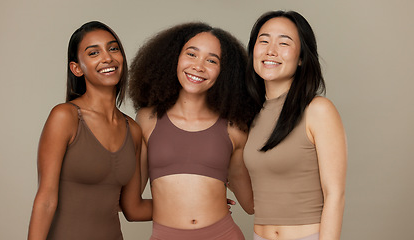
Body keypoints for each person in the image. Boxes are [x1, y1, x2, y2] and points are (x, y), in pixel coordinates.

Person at [129, 22, 256, 240]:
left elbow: (251, 205)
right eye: (191, 54)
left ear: (225, 72)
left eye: (212, 60)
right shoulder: (146, 120)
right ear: (173, 58)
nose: (199, 66)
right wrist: (181, 206)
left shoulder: (234, 129)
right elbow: (130, 205)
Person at [27, 21, 152, 240]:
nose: (107, 58)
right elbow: (46, 200)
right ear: (76, 68)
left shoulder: (132, 130)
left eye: (113, 48)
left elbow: (133, 209)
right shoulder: (65, 117)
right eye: (94, 52)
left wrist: (199, 205)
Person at [243, 10, 347, 240]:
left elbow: (335, 194)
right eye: (264, 41)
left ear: (301, 58)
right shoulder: (250, 116)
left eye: (284, 43)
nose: (271, 50)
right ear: (253, 52)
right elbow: (254, 200)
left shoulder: (318, 110)